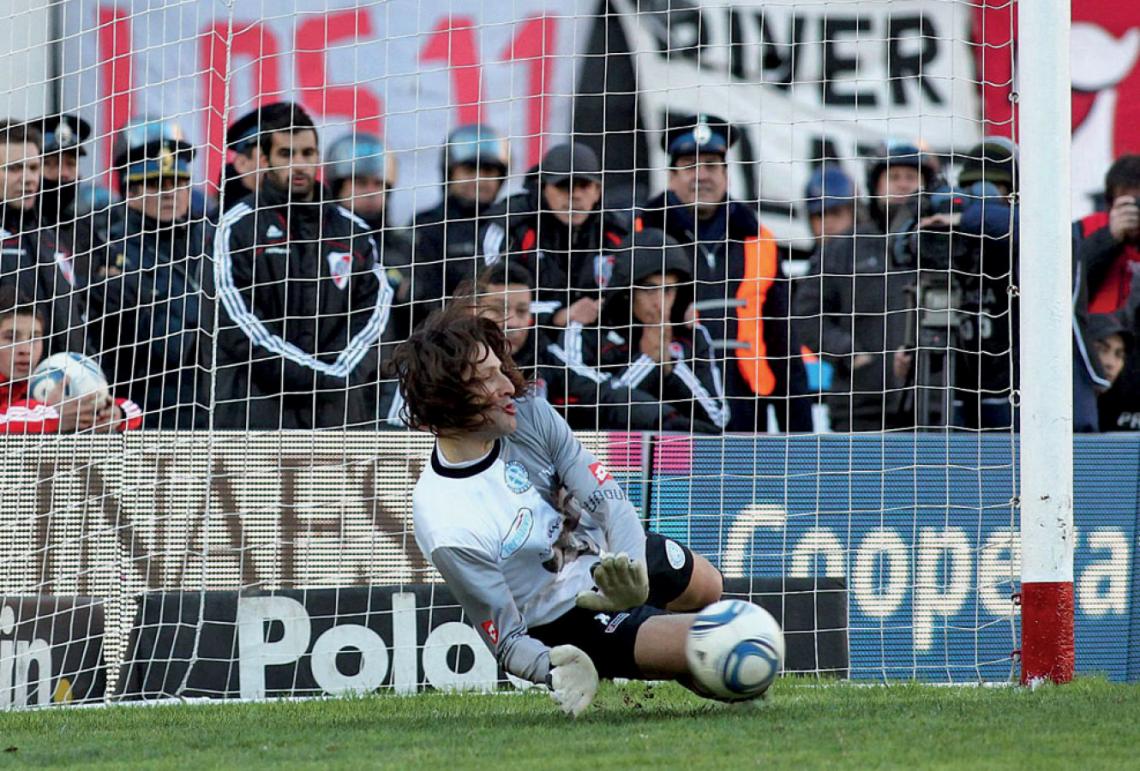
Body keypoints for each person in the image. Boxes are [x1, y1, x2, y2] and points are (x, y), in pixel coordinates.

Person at [390, 302, 724, 716]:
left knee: (710, 587)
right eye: (486, 380)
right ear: (447, 405)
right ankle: (664, 652)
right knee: (722, 645)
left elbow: (606, 498)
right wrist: (554, 668)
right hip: (567, 614)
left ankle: (664, 643)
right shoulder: (445, 519)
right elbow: (507, 640)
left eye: (501, 369)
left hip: (610, 558)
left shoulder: (528, 413)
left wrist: (633, 569)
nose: (508, 387)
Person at [206, 102, 393, 429]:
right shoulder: (233, 229)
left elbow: (375, 316)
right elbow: (236, 322)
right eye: (287, 154)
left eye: (307, 153)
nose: (300, 165)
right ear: (265, 160)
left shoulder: (355, 233)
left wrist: (338, 371)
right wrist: (317, 375)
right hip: (256, 419)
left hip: (338, 417)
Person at [639, 113, 810, 432]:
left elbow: (783, 346)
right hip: (668, 402)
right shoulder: (640, 234)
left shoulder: (760, 241)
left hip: (744, 404)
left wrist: (799, 440)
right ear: (671, 175)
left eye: (712, 165)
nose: (701, 176)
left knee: (744, 484)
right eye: (690, 165)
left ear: (727, 174)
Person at [470, 260, 707, 432]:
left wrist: (673, 422)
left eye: (521, 311)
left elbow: (607, 396)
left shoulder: (550, 360)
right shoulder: (450, 358)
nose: (511, 322)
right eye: (497, 309)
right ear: (472, 310)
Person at [85, 119, 211, 429]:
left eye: (178, 181)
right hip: (141, 408)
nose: (170, 193)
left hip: (210, 405)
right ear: (129, 188)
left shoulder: (214, 238)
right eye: (156, 183)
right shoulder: (104, 245)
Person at [794, 154, 920, 432]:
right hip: (860, 406)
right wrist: (849, 353)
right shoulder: (843, 250)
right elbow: (806, 315)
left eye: (911, 178)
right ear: (875, 186)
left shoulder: (941, 244)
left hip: (928, 404)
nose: (901, 186)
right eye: (893, 177)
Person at [569, 229, 727, 432]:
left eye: (669, 290)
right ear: (628, 291)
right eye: (650, 289)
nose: (660, 303)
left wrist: (670, 367)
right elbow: (590, 413)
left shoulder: (693, 335)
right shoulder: (588, 332)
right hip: (608, 454)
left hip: (677, 456)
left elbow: (718, 418)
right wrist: (647, 361)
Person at [480, 141, 630, 330]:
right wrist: (559, 316)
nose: (574, 195)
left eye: (584, 185)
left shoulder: (617, 233)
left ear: (598, 191)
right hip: (520, 340)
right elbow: (488, 302)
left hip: (594, 340)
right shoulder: (508, 226)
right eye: (564, 186)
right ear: (542, 187)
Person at [0, 286, 141, 433]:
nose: (25, 349)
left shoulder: (50, 379)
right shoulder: (46, 404)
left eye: (34, 338)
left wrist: (114, 413)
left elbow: (133, 410)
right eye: (11, 338)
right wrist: (53, 415)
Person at [410, 124, 510, 329]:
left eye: (488, 171)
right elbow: (421, 296)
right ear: (449, 173)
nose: (479, 179)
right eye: (469, 169)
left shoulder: (510, 224)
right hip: (440, 335)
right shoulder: (427, 225)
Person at [0, 119, 86, 357]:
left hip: (60, 386)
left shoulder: (50, 239)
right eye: (14, 168)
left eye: (33, 168)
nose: (28, 179)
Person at [1072, 155, 1140, 431]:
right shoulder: (1085, 232)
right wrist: (1110, 237)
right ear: (1111, 203)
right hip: (1093, 383)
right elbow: (1068, 280)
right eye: (1129, 203)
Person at [324, 132, 413, 340]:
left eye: (378, 183)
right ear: (338, 188)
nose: (371, 192)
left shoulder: (405, 246)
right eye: (360, 183)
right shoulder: (319, 242)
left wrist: (416, 293)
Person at [803, 166, 856, 247]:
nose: (828, 223)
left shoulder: (873, 252)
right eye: (820, 215)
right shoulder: (809, 258)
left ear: (852, 213)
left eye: (836, 212)